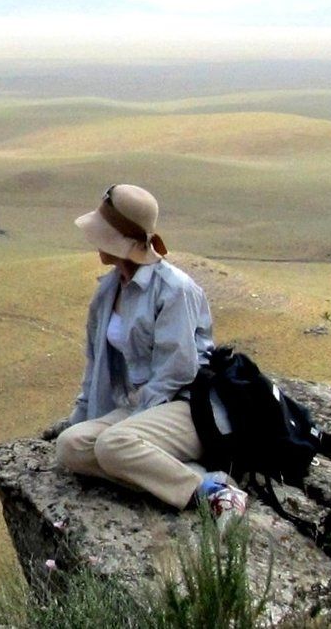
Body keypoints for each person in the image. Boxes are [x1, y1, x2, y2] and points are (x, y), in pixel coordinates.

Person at [52, 184, 247, 520]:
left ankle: (213, 493)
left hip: (187, 406)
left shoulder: (174, 289)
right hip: (139, 405)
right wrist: (80, 417)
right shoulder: (108, 291)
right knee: (70, 446)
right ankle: (179, 472)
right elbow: (95, 364)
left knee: (112, 446)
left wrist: (130, 422)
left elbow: (179, 370)